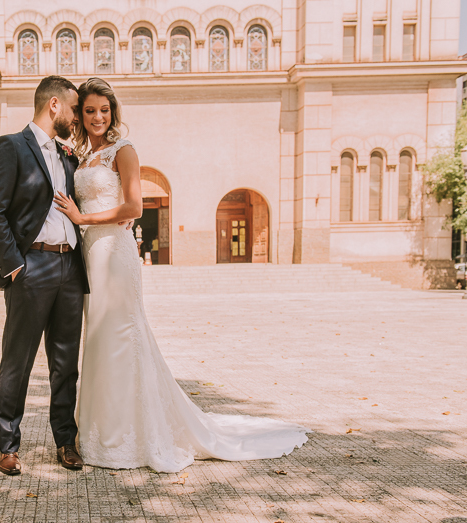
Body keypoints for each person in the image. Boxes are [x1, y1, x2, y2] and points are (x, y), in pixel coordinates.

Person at [53, 78, 310, 473]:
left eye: (104, 110)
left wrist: (82, 218)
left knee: (120, 337)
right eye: (90, 111)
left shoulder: (124, 150)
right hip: (90, 255)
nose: (97, 117)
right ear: (81, 114)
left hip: (115, 255)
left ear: (113, 112)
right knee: (99, 339)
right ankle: (102, 432)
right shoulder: (83, 156)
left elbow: (135, 207)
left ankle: (128, 436)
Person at [0, 76, 87, 476]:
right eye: (74, 109)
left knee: (66, 363)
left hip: (70, 268)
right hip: (31, 266)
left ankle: (65, 442)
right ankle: (8, 446)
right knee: (18, 360)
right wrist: (14, 265)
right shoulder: (11, 146)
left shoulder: (68, 156)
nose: (76, 118)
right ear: (54, 105)